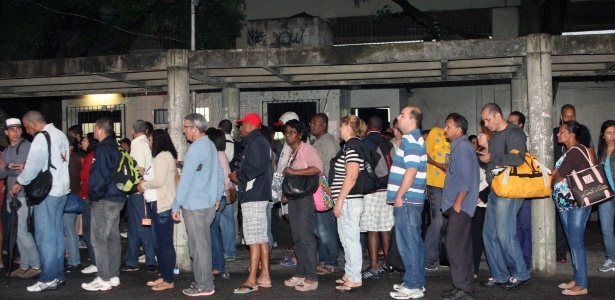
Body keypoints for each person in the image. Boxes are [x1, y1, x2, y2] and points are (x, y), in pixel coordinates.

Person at [10, 111, 69, 292]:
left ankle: (48, 277)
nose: (28, 132)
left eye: (27, 128)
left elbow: (34, 166)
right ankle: (58, 275)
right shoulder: (60, 134)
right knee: (57, 234)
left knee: (44, 237)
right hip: (62, 190)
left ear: (33, 124)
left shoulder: (41, 137)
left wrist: (19, 181)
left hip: (47, 192)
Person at [478, 103, 531, 290]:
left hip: (509, 191)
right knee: (489, 235)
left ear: (498, 115)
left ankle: (520, 273)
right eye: (484, 120)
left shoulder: (515, 133)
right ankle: (499, 274)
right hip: (496, 190)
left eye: (487, 119)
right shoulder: (496, 136)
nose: (485, 123)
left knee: (504, 234)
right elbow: (491, 163)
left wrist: (491, 156)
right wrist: (485, 151)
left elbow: (517, 159)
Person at [172, 113, 224, 297]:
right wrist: (217, 196)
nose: (184, 131)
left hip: (194, 205)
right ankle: (203, 280)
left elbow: (185, 179)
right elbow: (219, 174)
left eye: (185, 128)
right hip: (209, 204)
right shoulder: (210, 144)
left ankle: (204, 285)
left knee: (198, 247)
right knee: (203, 245)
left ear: (194, 128)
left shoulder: (195, 148)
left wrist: (176, 205)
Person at [230, 112, 273, 294]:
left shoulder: (255, 142)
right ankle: (265, 276)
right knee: (261, 237)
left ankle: (252, 279)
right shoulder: (260, 141)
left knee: (253, 239)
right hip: (259, 194)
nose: (240, 128)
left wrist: (238, 175)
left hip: (253, 195)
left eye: (242, 124)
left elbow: (256, 168)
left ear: (251, 125)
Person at [387, 106, 428, 300]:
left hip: (408, 199)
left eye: (402, 115)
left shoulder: (411, 140)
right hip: (411, 199)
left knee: (408, 243)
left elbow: (411, 172)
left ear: (412, 120)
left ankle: (414, 285)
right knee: (414, 242)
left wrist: (399, 196)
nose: (398, 117)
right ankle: (415, 280)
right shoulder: (412, 139)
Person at [81, 117, 126, 291]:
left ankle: (103, 277)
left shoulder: (103, 149)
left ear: (100, 130)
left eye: (94, 128)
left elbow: (100, 175)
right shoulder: (117, 148)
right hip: (118, 197)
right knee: (112, 237)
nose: (93, 132)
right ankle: (113, 275)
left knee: (98, 238)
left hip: (105, 199)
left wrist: (95, 195)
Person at [551, 121, 593, 296]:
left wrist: (554, 177)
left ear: (571, 134)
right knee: (572, 242)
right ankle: (577, 278)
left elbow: (559, 175)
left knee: (576, 243)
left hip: (577, 204)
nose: (558, 135)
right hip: (567, 204)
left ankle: (582, 284)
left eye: (561, 132)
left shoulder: (576, 151)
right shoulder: (569, 151)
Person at [280, 119, 322, 292]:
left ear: (300, 133)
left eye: (292, 132)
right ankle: (301, 272)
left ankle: (311, 276)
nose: (288, 136)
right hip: (294, 197)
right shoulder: (293, 151)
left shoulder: (307, 149)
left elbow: (317, 168)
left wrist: (295, 171)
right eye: (286, 132)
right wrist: (286, 193)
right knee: (296, 236)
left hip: (305, 198)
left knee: (305, 236)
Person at [441, 113, 479, 300]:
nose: (445, 130)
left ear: (459, 129)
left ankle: (463, 287)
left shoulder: (462, 148)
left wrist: (457, 203)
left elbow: (464, 180)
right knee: (462, 246)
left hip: (460, 206)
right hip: (460, 206)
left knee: (454, 246)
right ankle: (464, 286)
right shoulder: (460, 147)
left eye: (448, 126)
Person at [138, 129, 178, 291]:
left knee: (164, 244)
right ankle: (165, 275)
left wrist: (143, 186)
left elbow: (159, 181)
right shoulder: (162, 157)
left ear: (157, 140)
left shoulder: (163, 156)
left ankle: (168, 279)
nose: (149, 143)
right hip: (157, 205)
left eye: (150, 140)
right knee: (158, 242)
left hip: (162, 205)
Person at [0, 118, 40, 279]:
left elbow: (24, 169)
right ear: (6, 132)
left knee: (22, 231)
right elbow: (3, 172)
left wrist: (7, 167)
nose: (16, 132)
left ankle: (36, 264)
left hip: (23, 195)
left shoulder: (25, 146)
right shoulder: (9, 149)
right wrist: (9, 167)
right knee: (16, 232)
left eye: (18, 129)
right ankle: (25, 264)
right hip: (11, 196)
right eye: (12, 129)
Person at [330, 114, 366, 293]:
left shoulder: (352, 147)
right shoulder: (350, 146)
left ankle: (354, 278)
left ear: (349, 128)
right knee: (346, 238)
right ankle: (349, 273)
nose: (339, 129)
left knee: (351, 240)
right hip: (349, 200)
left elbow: (351, 176)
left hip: (349, 200)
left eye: (342, 126)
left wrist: (339, 201)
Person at [361, 116, 394, 279]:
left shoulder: (366, 142)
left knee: (372, 230)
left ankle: (374, 266)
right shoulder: (388, 143)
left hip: (371, 192)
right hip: (387, 191)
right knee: (385, 229)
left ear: (368, 126)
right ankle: (388, 264)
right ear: (381, 128)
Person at [122, 120, 157, 273]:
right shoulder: (145, 144)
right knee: (135, 227)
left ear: (132, 130)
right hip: (142, 192)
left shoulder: (136, 144)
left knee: (142, 226)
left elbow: (139, 169)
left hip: (138, 192)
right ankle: (132, 259)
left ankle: (150, 260)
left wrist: (136, 187)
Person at [310, 113, 340, 276]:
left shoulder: (328, 142)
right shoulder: (319, 141)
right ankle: (324, 259)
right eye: (311, 123)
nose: (312, 126)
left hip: (326, 191)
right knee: (320, 228)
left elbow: (323, 168)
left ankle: (330, 262)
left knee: (325, 228)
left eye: (315, 123)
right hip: (319, 191)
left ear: (323, 125)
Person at [206, 128, 232, 279]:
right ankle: (217, 264)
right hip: (220, 196)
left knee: (213, 231)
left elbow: (224, 179)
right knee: (214, 230)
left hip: (216, 197)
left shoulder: (216, 155)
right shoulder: (221, 155)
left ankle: (218, 265)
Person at [424, 126, 450, 271]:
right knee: (438, 221)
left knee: (447, 222)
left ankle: (444, 257)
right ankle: (428, 258)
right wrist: (437, 164)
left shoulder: (455, 139)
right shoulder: (435, 132)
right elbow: (424, 154)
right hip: (435, 184)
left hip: (450, 185)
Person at [508, 111, 532, 268]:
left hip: (525, 186)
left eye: (514, 122)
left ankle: (526, 259)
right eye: (509, 121)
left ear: (521, 125)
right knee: (513, 226)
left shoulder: (526, 139)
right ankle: (516, 260)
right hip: (510, 186)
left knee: (524, 224)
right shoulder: (505, 139)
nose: (511, 125)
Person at [596, 120, 615, 272]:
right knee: (606, 228)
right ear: (603, 135)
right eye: (609, 133)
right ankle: (612, 259)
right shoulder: (600, 152)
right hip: (606, 195)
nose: (612, 136)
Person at [218, 119, 237, 261]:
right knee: (230, 219)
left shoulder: (222, 148)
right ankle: (230, 249)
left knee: (226, 220)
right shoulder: (235, 144)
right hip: (234, 186)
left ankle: (229, 251)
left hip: (226, 187)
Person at [80, 132, 99, 275]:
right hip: (96, 198)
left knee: (89, 232)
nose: (82, 142)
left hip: (89, 198)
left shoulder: (90, 157)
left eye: (84, 140)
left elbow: (86, 178)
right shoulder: (98, 155)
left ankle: (95, 262)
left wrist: (84, 195)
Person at [63, 136, 82, 271]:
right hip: (73, 194)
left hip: (69, 196)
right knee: (68, 229)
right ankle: (71, 257)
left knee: (69, 229)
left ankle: (74, 259)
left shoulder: (70, 160)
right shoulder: (76, 159)